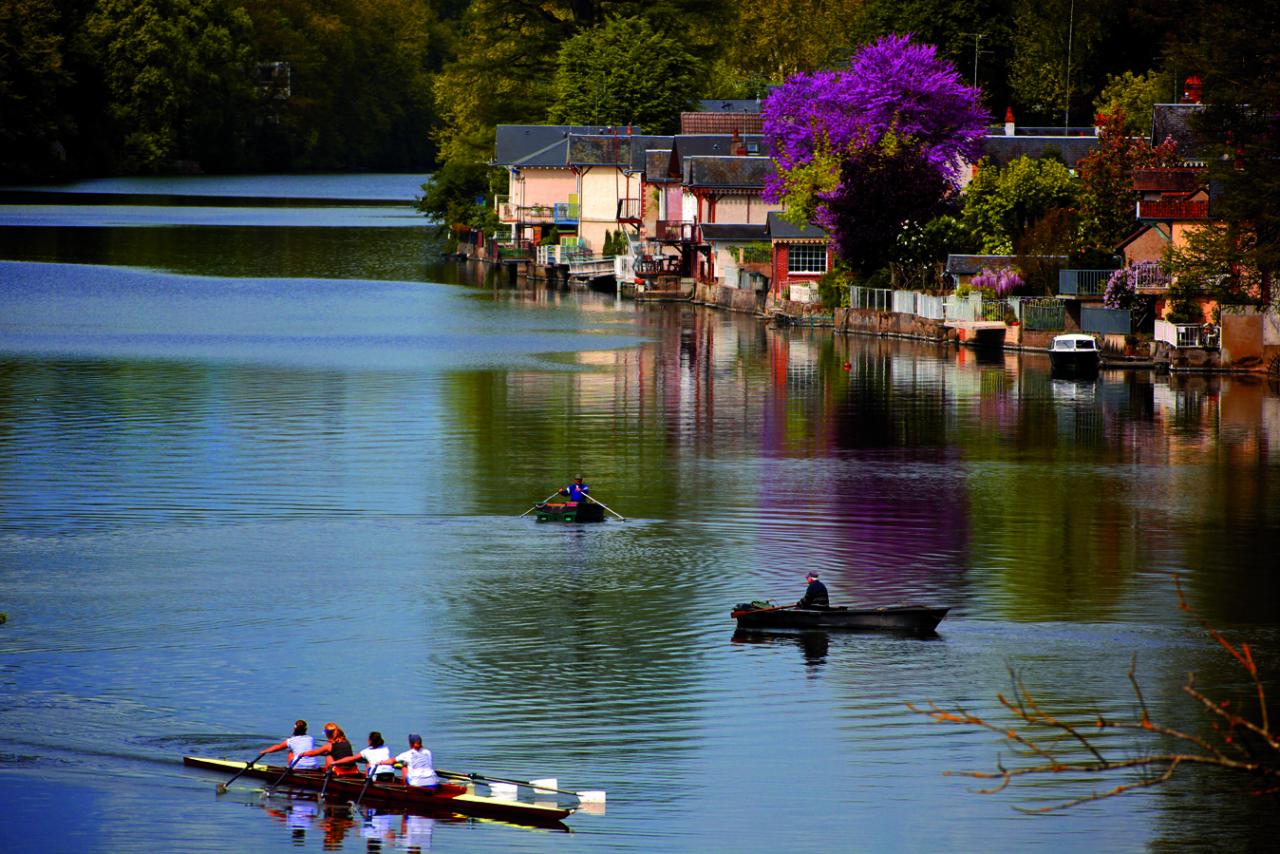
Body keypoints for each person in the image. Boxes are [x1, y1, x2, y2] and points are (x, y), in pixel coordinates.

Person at [375, 733, 440, 788]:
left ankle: (406, 788)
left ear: (410, 743)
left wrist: (381, 762)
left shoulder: (407, 754)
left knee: (404, 767)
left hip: (417, 783)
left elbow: (392, 761)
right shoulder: (428, 752)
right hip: (433, 783)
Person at [330, 731, 395, 783]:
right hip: (390, 775)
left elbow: (350, 759)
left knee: (368, 764)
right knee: (369, 763)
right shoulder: (386, 748)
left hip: (378, 776)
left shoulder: (366, 751)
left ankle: (366, 783)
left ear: (370, 741)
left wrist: (335, 762)